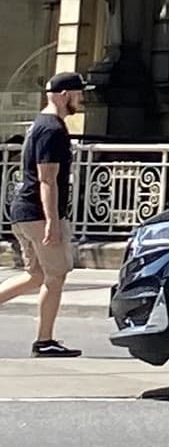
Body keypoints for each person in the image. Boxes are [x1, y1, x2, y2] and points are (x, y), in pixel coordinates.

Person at [1, 71, 87, 358]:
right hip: (38, 213)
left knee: (35, 275)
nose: (81, 100)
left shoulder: (39, 124)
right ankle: (44, 340)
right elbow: (47, 179)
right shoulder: (52, 129)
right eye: (78, 95)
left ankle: (45, 339)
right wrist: (52, 222)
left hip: (23, 211)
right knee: (56, 275)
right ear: (65, 96)